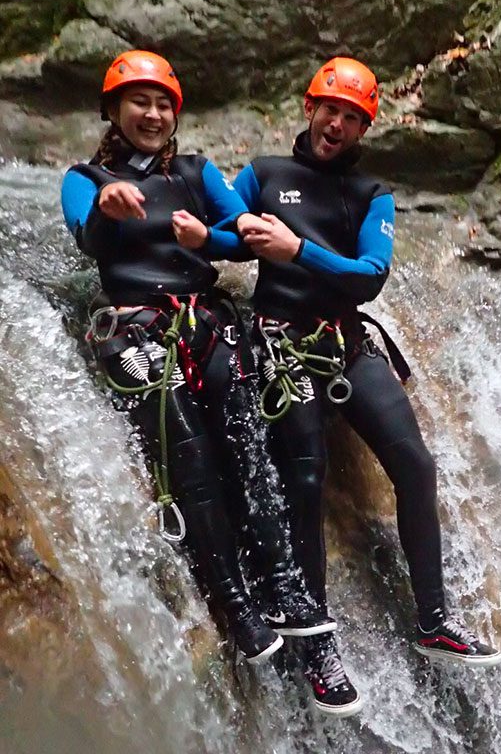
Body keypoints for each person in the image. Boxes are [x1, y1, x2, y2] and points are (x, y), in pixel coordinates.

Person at [233, 56, 501, 713]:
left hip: (344, 341)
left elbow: (369, 276)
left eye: (353, 118)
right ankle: (318, 644)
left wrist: (296, 250)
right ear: (310, 107)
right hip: (280, 346)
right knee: (305, 475)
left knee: (414, 464)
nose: (339, 124)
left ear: (363, 129)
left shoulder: (371, 193)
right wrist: (216, 231)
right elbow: (224, 237)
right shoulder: (263, 174)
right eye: (332, 109)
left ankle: (434, 621)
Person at [60, 50, 335, 670]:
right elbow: (85, 235)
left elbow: (245, 233)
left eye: (163, 104)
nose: (153, 114)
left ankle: (282, 583)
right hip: (135, 329)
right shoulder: (86, 179)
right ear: (113, 110)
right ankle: (234, 604)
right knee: (186, 442)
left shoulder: (195, 171)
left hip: (204, 319)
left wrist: (206, 239)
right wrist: (108, 211)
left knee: (245, 434)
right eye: (140, 102)